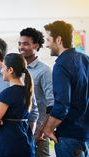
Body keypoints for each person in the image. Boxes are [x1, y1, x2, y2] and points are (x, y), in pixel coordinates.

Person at [43, 20, 89, 157]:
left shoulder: (61, 65)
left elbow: (62, 104)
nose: (46, 45)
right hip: (85, 136)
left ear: (58, 40)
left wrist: (48, 129)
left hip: (69, 137)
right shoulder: (85, 59)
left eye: (48, 40)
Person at [0, 53, 35, 157]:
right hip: (26, 143)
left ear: (10, 70)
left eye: (3, 67)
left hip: (10, 145)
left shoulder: (8, 93)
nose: (1, 70)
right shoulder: (28, 91)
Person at [18, 27, 54, 157]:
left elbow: (52, 104)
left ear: (36, 46)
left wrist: (40, 132)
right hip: (18, 133)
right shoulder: (16, 70)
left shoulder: (44, 71)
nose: (21, 47)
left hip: (38, 136)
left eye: (26, 44)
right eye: (20, 43)